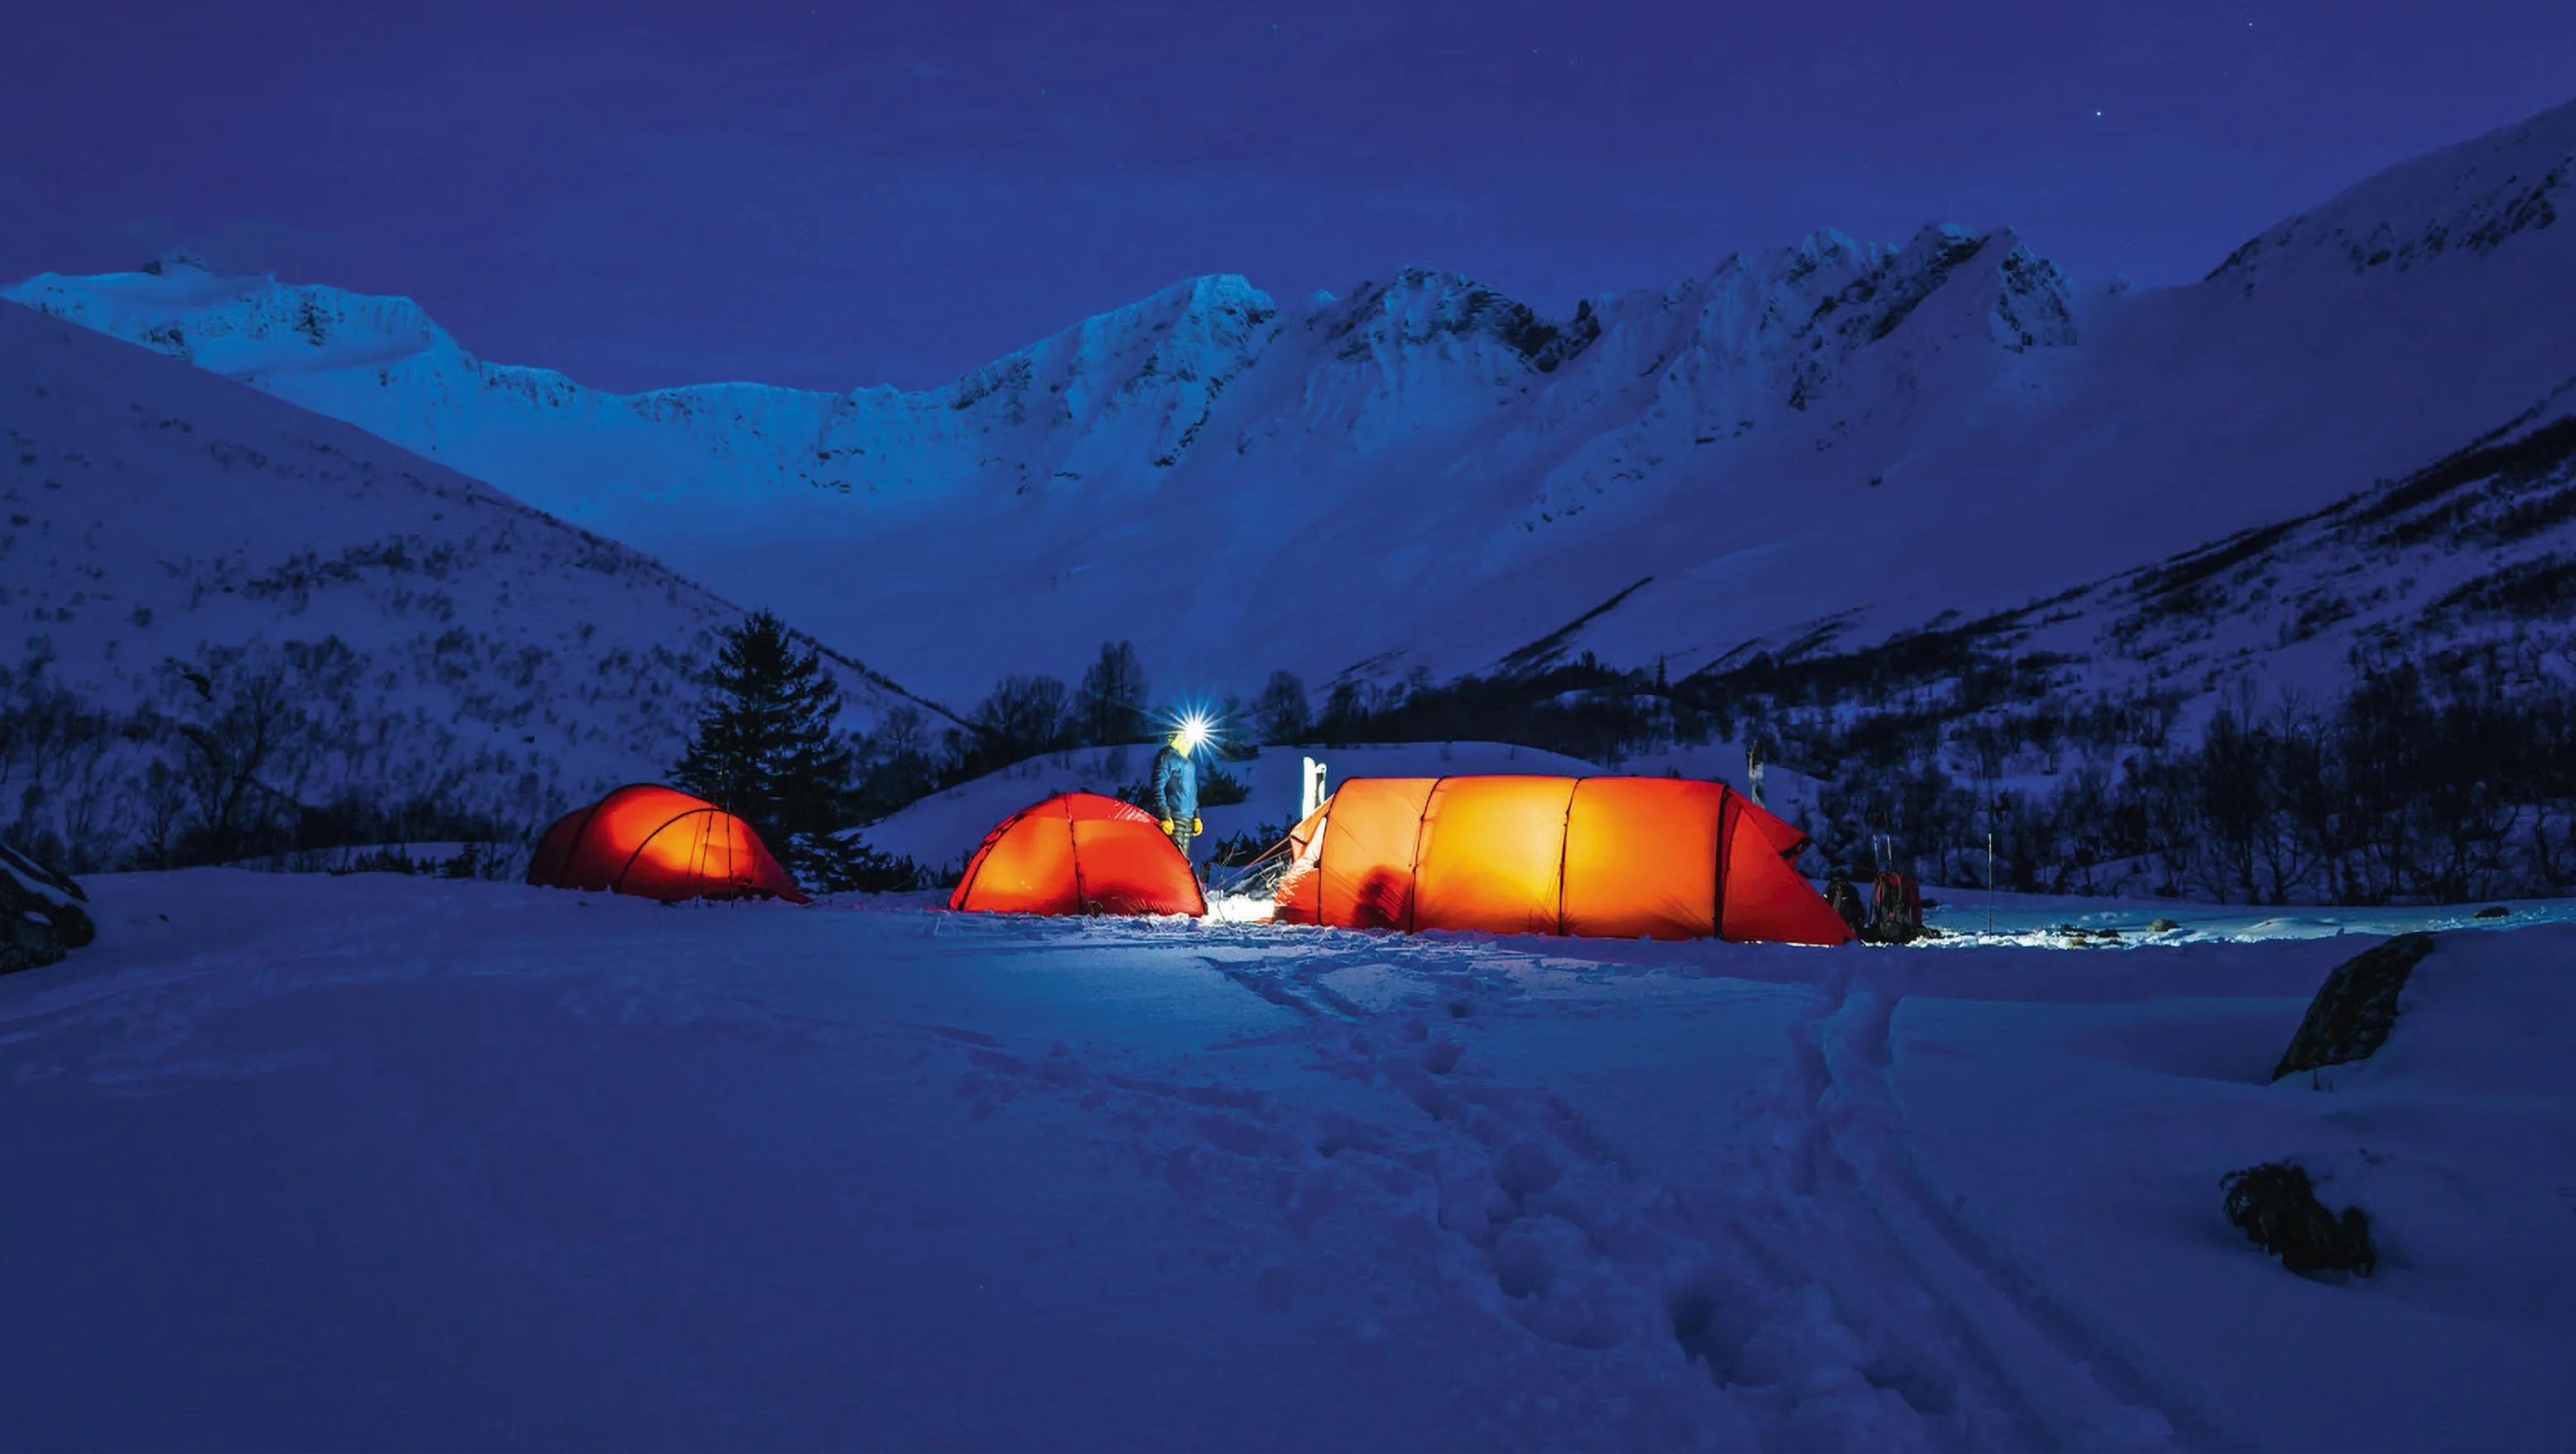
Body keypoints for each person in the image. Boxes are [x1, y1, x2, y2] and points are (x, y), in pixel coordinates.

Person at [1148, 718, 1204, 860]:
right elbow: (1157, 787)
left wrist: (1196, 816)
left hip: (1187, 818)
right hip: (1173, 817)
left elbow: (1192, 791)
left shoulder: (1189, 762)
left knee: (1183, 859)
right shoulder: (1167, 757)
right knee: (1173, 859)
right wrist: (1164, 815)